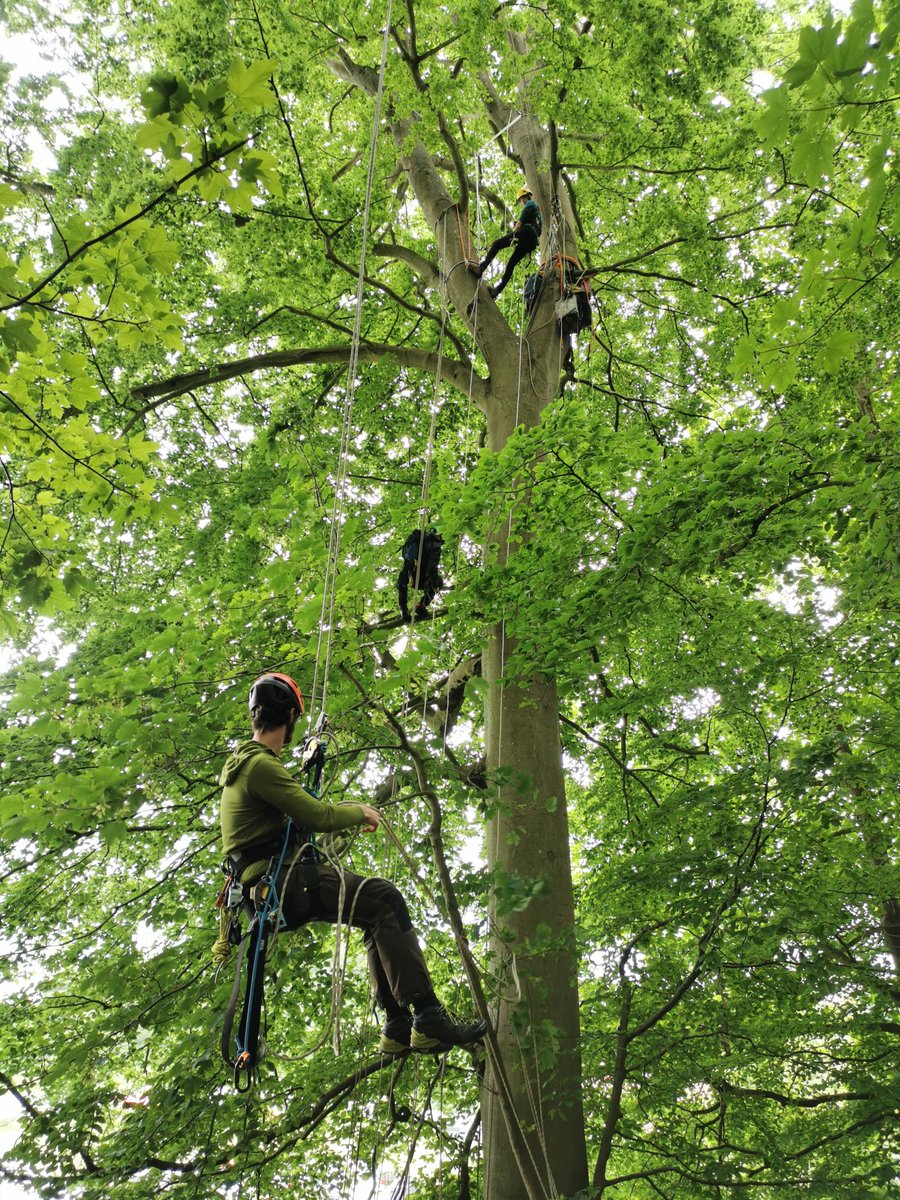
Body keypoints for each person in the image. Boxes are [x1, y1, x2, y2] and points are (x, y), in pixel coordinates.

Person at [220, 672, 486, 1054]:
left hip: (266, 889)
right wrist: (360, 811)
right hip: (281, 885)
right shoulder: (260, 767)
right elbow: (318, 816)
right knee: (386, 899)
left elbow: (287, 820)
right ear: (291, 717)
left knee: (372, 914)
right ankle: (427, 1016)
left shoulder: (246, 765)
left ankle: (397, 1026)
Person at [472, 185, 543, 300]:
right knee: (511, 264)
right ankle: (497, 290)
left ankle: (481, 268)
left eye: (521, 200)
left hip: (526, 232)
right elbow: (538, 231)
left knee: (497, 244)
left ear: (525, 197)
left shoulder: (531, 203)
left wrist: (518, 226)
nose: (521, 203)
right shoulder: (539, 216)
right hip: (532, 241)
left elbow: (526, 211)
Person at [397, 527, 443, 623]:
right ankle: (422, 605)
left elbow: (405, 555)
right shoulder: (434, 545)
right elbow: (433, 566)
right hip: (421, 575)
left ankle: (403, 609)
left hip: (412, 572)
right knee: (438, 581)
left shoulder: (415, 538)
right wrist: (434, 581)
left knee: (403, 578)